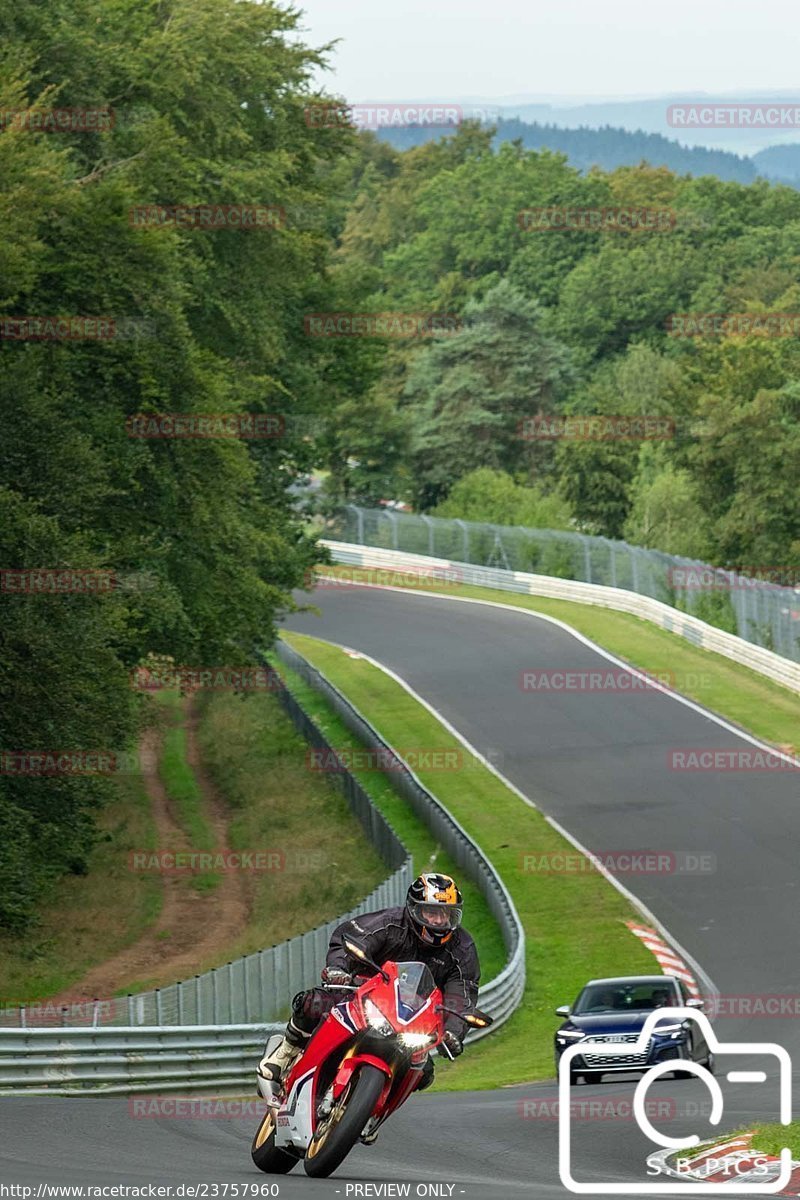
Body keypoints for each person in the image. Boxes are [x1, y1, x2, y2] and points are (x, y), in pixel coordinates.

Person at [258, 872, 480, 1099]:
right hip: (361, 997)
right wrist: (339, 969)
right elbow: (352, 938)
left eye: (445, 915)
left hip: (409, 1021)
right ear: (415, 909)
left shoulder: (462, 949)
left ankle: (373, 1115)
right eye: (431, 912)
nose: (438, 921)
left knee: (424, 1072)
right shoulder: (389, 923)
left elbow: (463, 993)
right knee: (313, 1003)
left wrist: (453, 1031)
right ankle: (285, 1053)